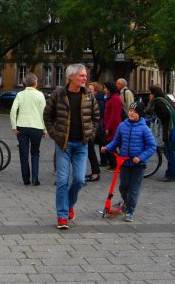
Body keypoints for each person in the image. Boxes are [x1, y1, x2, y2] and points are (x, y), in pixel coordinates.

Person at [43, 63, 99, 230]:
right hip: (64, 145)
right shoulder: (59, 94)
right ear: (71, 77)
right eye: (81, 75)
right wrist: (54, 134)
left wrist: (90, 134)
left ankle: (69, 203)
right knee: (62, 181)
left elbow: (96, 117)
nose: (85, 78)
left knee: (80, 180)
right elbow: (47, 115)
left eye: (85, 75)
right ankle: (62, 215)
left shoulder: (89, 95)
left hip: (81, 145)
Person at [101, 102, 158, 222]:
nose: (132, 113)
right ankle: (126, 203)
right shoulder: (122, 126)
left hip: (138, 165)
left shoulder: (144, 128)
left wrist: (141, 157)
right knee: (123, 187)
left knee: (133, 189)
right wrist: (107, 147)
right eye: (131, 111)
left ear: (140, 114)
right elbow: (116, 141)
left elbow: (152, 146)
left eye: (135, 112)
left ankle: (130, 210)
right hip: (124, 163)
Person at [10, 73, 47, 186]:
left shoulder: (20, 94)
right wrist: (44, 129)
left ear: (25, 83)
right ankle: (35, 178)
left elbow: (13, 110)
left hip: (22, 126)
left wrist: (14, 126)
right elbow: (44, 113)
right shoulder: (40, 95)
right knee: (35, 153)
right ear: (35, 83)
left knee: (23, 153)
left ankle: (26, 178)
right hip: (37, 127)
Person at [148, 85, 175, 181]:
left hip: (169, 130)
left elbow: (165, 115)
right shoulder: (164, 100)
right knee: (169, 152)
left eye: (150, 93)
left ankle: (171, 175)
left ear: (154, 94)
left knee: (169, 153)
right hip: (173, 128)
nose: (149, 95)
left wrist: (158, 119)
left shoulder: (158, 103)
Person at [85, 82, 106, 183]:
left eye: (91, 89)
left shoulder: (97, 100)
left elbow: (95, 115)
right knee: (90, 150)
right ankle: (95, 171)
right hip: (94, 128)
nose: (88, 90)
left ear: (96, 91)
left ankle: (95, 173)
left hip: (93, 129)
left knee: (90, 150)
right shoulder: (96, 99)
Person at [103, 82, 123, 172]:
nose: (104, 90)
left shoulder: (115, 99)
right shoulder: (111, 98)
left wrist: (108, 128)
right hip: (110, 125)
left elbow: (114, 116)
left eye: (105, 88)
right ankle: (113, 164)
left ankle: (116, 165)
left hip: (113, 127)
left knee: (111, 146)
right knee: (110, 145)